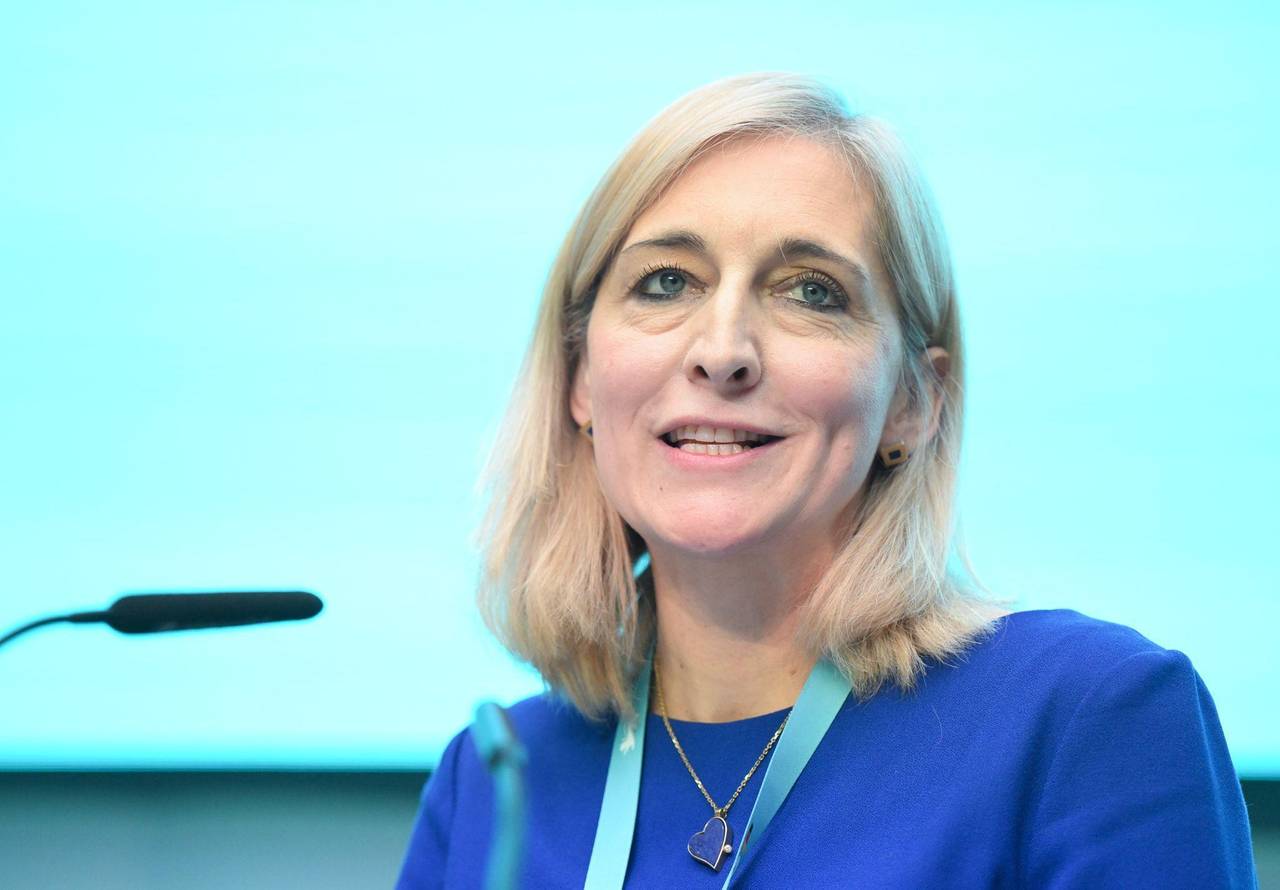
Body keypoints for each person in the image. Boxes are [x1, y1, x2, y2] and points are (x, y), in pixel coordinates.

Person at [395, 72, 1257, 888]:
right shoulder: (496, 782)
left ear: (913, 402)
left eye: (810, 292)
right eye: (667, 282)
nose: (722, 352)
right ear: (581, 377)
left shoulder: (1088, 718)